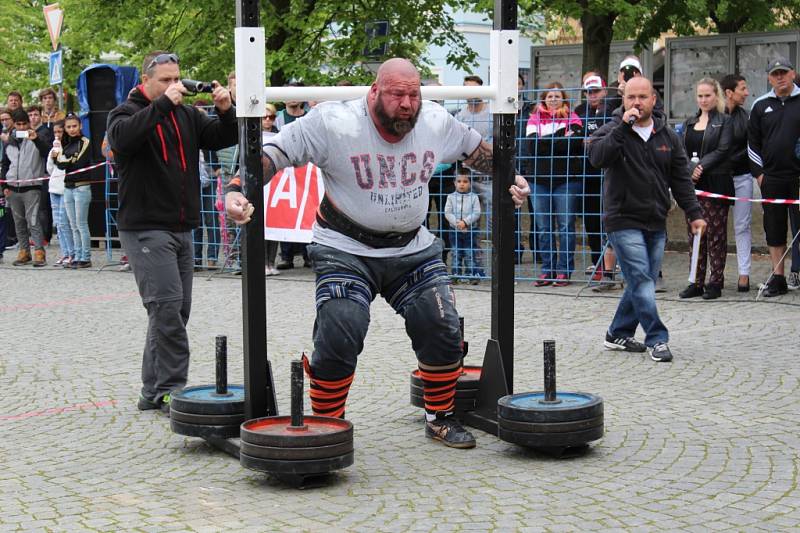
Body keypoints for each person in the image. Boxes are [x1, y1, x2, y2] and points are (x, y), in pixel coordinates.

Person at [226, 58, 529, 448]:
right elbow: (272, 155)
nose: (407, 104)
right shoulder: (334, 123)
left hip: (412, 249)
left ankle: (438, 416)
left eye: (414, 94)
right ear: (374, 92)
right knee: (342, 324)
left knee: (441, 325)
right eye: (397, 94)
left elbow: (481, 154)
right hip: (344, 248)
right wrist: (237, 189)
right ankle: (327, 428)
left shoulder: (434, 121)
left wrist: (512, 178)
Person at [107, 51, 237, 413]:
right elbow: (123, 140)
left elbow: (222, 138)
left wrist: (226, 109)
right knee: (165, 308)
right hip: (145, 227)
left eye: (176, 78)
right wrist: (163, 104)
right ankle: (171, 389)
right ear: (145, 81)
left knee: (175, 311)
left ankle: (152, 391)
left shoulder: (186, 114)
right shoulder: (126, 113)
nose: (173, 85)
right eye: (165, 80)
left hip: (181, 226)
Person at [588, 77, 706, 363]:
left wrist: (694, 213)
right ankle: (657, 339)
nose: (637, 103)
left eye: (643, 97)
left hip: (655, 218)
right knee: (641, 278)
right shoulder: (612, 129)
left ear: (654, 100)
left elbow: (680, 178)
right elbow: (597, 157)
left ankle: (617, 332)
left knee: (644, 280)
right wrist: (621, 128)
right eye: (631, 97)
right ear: (624, 101)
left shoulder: (667, 136)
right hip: (622, 218)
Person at [747, 57, 800, 297]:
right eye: (775, 74)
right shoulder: (760, 105)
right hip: (772, 178)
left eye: (784, 72)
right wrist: (759, 175)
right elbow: (752, 144)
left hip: (798, 177)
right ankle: (777, 278)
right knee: (774, 229)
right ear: (769, 78)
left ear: (793, 74)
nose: (780, 77)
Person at [523, 82, 583, 287]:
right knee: (543, 227)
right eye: (550, 96)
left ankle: (564, 271)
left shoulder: (573, 118)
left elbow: (574, 143)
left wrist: (546, 141)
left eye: (558, 96)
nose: (554, 99)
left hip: (567, 180)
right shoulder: (533, 119)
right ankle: (548, 270)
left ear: (564, 99)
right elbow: (532, 147)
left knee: (565, 226)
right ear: (544, 99)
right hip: (538, 180)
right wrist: (560, 138)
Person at [678, 78, 733, 300]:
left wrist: (701, 166)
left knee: (716, 235)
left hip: (716, 183)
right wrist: (690, 169)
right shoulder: (689, 123)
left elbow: (723, 149)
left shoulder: (725, 122)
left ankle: (715, 282)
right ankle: (696, 281)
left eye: (708, 95)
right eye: (700, 96)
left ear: (716, 96)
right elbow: (680, 151)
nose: (703, 100)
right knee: (695, 235)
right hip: (693, 186)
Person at [574, 71, 619, 289]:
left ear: (604, 91)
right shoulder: (579, 111)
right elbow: (574, 137)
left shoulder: (611, 110)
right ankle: (597, 261)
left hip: (608, 172)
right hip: (586, 173)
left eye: (596, 91)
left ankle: (612, 262)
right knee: (591, 220)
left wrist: (593, 140)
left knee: (608, 219)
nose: (592, 96)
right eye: (588, 92)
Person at [1, 108, 50, 266]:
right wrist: (4, 185)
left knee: (33, 221)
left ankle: (39, 252)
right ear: (14, 124)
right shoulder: (9, 141)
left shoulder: (38, 137)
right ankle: (24, 252)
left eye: (24, 124)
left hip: (32, 186)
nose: (21, 127)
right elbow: (5, 164)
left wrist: (35, 139)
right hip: (13, 187)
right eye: (18, 124)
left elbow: (47, 153)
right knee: (18, 222)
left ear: (29, 124)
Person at [721, 74, 753, 292]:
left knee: (742, 225)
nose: (747, 92)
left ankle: (744, 273)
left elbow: (752, 148)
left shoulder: (748, 117)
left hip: (742, 176)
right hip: (718, 178)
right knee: (716, 228)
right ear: (729, 93)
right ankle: (715, 274)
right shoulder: (713, 117)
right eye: (742, 88)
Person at [274, 82, 311, 270]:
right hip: (284, 171)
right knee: (285, 211)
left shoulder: (309, 118)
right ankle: (286, 255)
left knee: (306, 210)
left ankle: (308, 254)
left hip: (306, 171)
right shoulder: (277, 118)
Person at [54, 114, 92, 268]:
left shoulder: (85, 142)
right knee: (73, 224)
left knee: (81, 223)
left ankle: (86, 257)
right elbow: (61, 165)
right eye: (68, 127)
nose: (72, 129)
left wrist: (60, 159)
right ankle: (76, 255)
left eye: (74, 126)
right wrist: (61, 160)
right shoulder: (66, 143)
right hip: (68, 187)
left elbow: (78, 162)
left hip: (81, 186)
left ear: (80, 126)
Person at [191, 100, 220, 271]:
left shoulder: (210, 133)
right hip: (193, 182)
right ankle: (195, 258)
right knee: (196, 221)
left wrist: (217, 169)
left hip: (210, 181)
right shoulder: (188, 134)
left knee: (212, 220)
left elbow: (218, 153)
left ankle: (212, 258)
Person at [444, 167, 484, 284]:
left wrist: (465, 222)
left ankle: (471, 275)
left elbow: (476, 213)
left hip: (470, 230)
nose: (462, 184)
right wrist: (458, 224)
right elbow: (447, 212)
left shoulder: (474, 197)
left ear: (470, 183)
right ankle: (456, 274)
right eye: (459, 181)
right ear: (454, 183)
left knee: (469, 252)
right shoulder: (450, 197)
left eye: (465, 182)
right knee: (456, 252)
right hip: (455, 230)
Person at [46, 120, 74, 266]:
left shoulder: (70, 147)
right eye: (55, 132)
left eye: (60, 132)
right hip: (53, 188)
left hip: (65, 188)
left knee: (64, 222)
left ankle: (72, 253)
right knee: (58, 223)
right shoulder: (53, 150)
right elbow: (50, 168)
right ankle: (64, 253)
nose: (57, 135)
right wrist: (54, 155)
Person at [262, 103, 281, 275]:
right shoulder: (251, 135)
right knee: (261, 225)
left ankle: (271, 262)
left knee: (275, 223)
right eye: (264, 117)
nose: (268, 120)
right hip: (261, 184)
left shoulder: (278, 135)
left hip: (277, 185)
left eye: (272, 117)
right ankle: (262, 262)